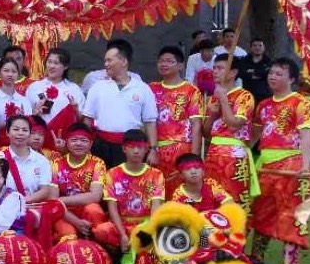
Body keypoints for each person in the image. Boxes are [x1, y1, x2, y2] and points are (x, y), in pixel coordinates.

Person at [248, 58, 310, 264]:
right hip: (266, 164)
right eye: (271, 73)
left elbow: (306, 137)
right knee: (261, 211)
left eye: (279, 74)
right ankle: (256, 258)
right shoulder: (264, 105)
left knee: (290, 214)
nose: (272, 77)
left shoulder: (301, 103)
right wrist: (242, 152)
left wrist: (305, 165)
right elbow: (255, 136)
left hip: (290, 164)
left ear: (292, 79)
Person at [82, 39, 158, 168]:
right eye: (105, 61)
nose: (106, 64)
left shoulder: (142, 88)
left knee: (127, 180)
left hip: (131, 148)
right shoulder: (97, 87)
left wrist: (153, 150)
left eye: (109, 60)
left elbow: (150, 122)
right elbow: (87, 120)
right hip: (101, 146)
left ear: (123, 61)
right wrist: (85, 145)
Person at [0, 114, 63, 248]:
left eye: (25, 130)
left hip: (30, 209)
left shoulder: (41, 161)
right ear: (7, 132)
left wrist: (21, 202)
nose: (20, 133)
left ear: (29, 133)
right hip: (3, 210)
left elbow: (45, 190)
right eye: (16, 129)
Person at [99, 129, 166, 263]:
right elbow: (112, 208)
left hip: (145, 224)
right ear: (124, 149)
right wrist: (123, 234)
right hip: (122, 224)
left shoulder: (156, 174)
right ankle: (124, 248)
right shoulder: (112, 173)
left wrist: (149, 230)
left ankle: (133, 252)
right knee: (102, 230)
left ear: (146, 149)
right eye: (132, 147)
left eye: (140, 147)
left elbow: (156, 207)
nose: (136, 151)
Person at [200, 53, 258, 204]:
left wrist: (224, 100)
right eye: (214, 68)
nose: (215, 71)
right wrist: (212, 116)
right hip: (213, 154)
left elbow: (234, 125)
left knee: (234, 197)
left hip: (234, 156)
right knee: (212, 197)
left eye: (220, 68)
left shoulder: (244, 96)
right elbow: (205, 133)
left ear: (233, 73)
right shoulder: (213, 97)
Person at [149, 45, 203, 190]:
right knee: (157, 190)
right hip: (156, 149)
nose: (164, 64)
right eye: (161, 61)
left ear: (180, 66)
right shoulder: (151, 88)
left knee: (181, 191)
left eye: (169, 61)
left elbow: (196, 125)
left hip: (181, 149)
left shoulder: (191, 90)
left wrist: (194, 156)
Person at [52, 122, 109, 242]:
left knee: (93, 210)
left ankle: (98, 245)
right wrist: (76, 221)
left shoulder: (97, 163)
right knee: (68, 235)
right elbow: (53, 201)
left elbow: (95, 196)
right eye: (74, 140)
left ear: (91, 144)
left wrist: (61, 200)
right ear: (67, 142)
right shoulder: (56, 164)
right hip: (64, 211)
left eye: (83, 140)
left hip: (85, 207)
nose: (78, 143)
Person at [25, 48, 85, 143]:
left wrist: (75, 109)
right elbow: (25, 117)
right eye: (49, 62)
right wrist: (35, 112)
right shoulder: (35, 87)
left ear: (65, 66)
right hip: (39, 140)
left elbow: (82, 120)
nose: (51, 66)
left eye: (56, 63)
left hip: (64, 141)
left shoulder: (74, 89)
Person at [169, 153, 234, 211]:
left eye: (197, 167)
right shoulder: (178, 196)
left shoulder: (210, 184)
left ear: (203, 172)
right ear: (181, 175)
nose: (193, 172)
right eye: (188, 169)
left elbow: (229, 203)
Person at [0, 58, 29, 135]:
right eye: (6, 71)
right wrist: (13, 120)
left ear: (18, 74)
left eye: (14, 71)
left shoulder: (24, 100)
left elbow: (29, 126)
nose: (10, 74)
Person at [240, 37, 272, 102]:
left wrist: (253, 72)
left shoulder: (269, 61)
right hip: (247, 96)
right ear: (250, 47)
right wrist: (260, 73)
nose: (257, 48)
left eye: (260, 45)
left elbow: (268, 74)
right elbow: (242, 74)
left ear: (264, 47)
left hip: (265, 95)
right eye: (254, 45)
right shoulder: (244, 61)